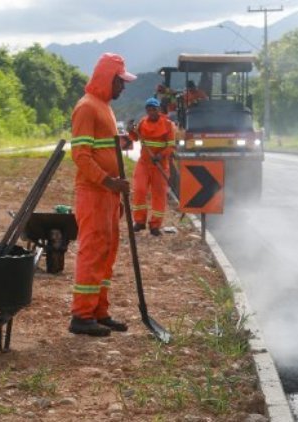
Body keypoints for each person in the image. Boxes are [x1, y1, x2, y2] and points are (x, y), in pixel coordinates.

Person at [68, 52, 136, 337]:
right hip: (94, 193)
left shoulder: (104, 107)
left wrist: (119, 143)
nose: (123, 87)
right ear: (108, 78)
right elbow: (81, 156)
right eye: (120, 81)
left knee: (106, 253)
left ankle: (99, 311)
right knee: (93, 252)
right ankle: (81, 315)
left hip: (108, 195)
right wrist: (108, 181)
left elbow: (100, 147)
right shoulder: (86, 108)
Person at [127, 97, 175, 236]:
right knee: (139, 190)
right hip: (144, 164)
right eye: (149, 110)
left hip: (160, 165)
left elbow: (171, 145)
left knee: (159, 195)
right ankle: (140, 222)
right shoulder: (143, 122)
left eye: (153, 109)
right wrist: (131, 130)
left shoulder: (167, 124)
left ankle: (155, 225)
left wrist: (160, 155)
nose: (151, 112)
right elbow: (136, 137)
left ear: (158, 110)